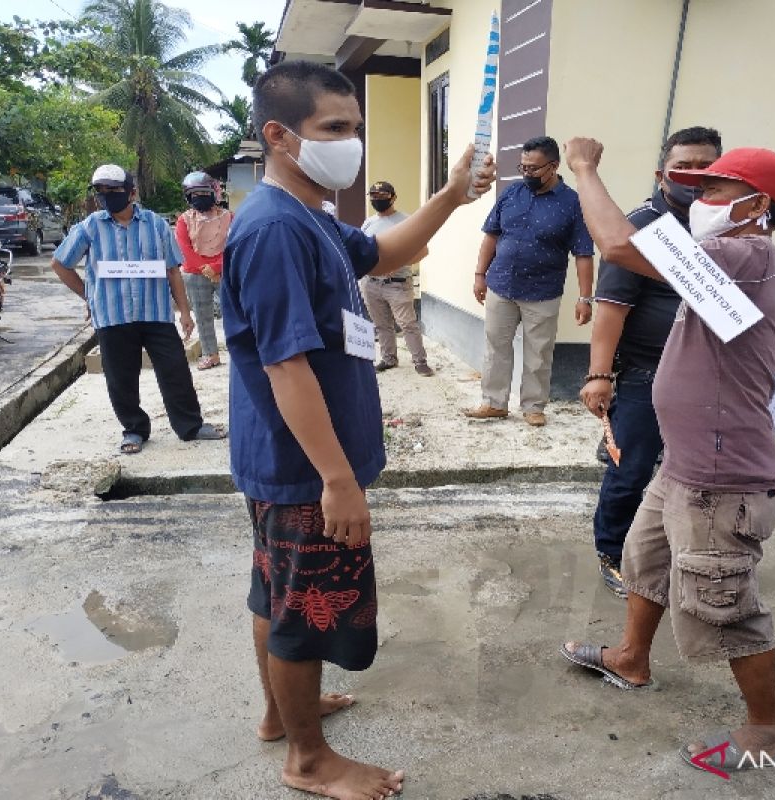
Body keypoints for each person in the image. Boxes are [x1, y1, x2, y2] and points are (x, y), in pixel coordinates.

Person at [221, 60, 494, 798]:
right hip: (306, 469)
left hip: (290, 464)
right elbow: (286, 368)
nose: (351, 145)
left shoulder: (311, 217)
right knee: (304, 615)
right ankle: (308, 761)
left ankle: (283, 715)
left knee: (272, 595)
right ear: (279, 137)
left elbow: (390, 252)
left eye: (356, 130)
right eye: (334, 129)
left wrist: (453, 189)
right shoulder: (275, 229)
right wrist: (338, 481)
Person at [560, 138, 775, 774]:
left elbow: (615, 246)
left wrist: (583, 168)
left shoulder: (741, 253)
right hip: (685, 464)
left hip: (720, 478)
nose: (701, 197)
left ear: (757, 205)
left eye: (716, 189)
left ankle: (767, 730)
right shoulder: (728, 257)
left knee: (723, 603)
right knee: (646, 560)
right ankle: (630, 659)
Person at [581, 126, 723, 599]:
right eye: (686, 166)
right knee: (632, 469)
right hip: (647, 375)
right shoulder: (643, 224)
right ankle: (612, 551)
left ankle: (673, 547)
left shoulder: (719, 221)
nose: (697, 175)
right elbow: (611, 306)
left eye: (708, 165)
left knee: (689, 469)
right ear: (661, 173)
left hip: (701, 377)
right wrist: (600, 377)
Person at [50, 164, 225, 455]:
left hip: (156, 314)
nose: (107, 196)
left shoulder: (156, 225)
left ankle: (190, 426)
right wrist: (89, 297)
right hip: (112, 316)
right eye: (101, 191)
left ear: (132, 192)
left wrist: (184, 312)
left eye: (114, 190)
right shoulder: (90, 227)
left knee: (175, 371)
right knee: (121, 377)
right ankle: (134, 429)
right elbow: (60, 264)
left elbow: (172, 270)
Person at [464, 136, 595, 427]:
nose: (527, 174)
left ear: (553, 166)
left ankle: (533, 407)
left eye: (534, 169)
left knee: (538, 353)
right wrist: (479, 275)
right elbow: (491, 236)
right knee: (495, 347)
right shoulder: (512, 193)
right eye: (523, 167)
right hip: (501, 285)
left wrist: (585, 297)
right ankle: (493, 402)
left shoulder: (572, 203)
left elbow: (584, 253)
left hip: (543, 291)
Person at [360, 180, 433, 376]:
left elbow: (422, 251)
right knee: (381, 324)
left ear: (393, 198)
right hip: (371, 283)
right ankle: (388, 358)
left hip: (397, 284)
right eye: (374, 197)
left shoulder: (407, 221)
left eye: (382, 197)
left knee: (407, 324)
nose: (377, 200)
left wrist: (397, 263)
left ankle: (420, 361)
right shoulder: (369, 222)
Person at [175, 171, 232, 370]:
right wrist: (204, 267)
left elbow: (234, 245)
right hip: (194, 274)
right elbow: (184, 248)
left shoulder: (228, 217)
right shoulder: (184, 220)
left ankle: (240, 350)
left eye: (202, 193)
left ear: (212, 193)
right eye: (194, 194)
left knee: (233, 313)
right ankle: (211, 354)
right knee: (202, 315)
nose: (198, 198)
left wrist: (217, 267)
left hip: (225, 272)